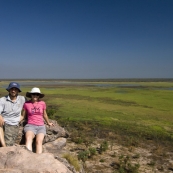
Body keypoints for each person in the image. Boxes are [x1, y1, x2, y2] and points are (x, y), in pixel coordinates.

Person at [21, 87, 54, 154]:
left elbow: (44, 114)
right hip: (30, 125)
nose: (35, 96)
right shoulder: (26, 104)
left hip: (41, 126)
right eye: (33, 94)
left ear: (39, 96)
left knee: (39, 141)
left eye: (37, 94)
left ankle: (38, 159)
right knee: (28, 138)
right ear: (31, 95)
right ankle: (28, 157)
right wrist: (14, 120)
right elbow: (23, 116)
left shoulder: (42, 103)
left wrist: (48, 123)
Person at [0, 82, 26, 147]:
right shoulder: (2, 100)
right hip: (3, 121)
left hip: (13, 123)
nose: (13, 91)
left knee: (9, 143)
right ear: (9, 90)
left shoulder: (22, 99)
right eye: (12, 89)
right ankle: (4, 146)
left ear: (18, 91)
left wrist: (23, 116)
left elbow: (29, 106)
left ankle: (4, 147)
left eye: (15, 89)